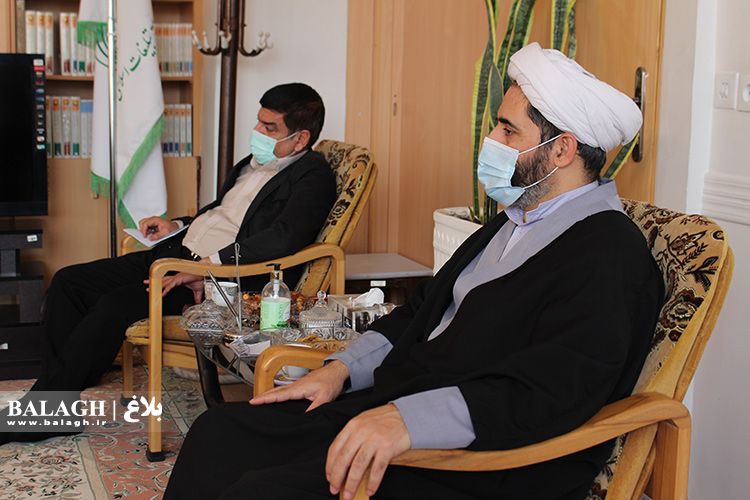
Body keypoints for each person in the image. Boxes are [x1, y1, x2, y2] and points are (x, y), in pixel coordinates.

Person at [165, 44, 664, 500]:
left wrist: (406, 421)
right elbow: (422, 312)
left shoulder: (608, 252)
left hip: (477, 456)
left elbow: (552, 389)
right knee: (220, 435)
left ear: (562, 150)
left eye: (508, 130)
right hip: (398, 403)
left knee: (261, 491)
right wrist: (341, 370)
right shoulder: (513, 222)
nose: (491, 140)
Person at [0, 82, 336, 445]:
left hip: (213, 280)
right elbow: (220, 214)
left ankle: (43, 411)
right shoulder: (252, 163)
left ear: (300, 139)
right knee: (69, 282)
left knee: (113, 306)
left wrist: (208, 266)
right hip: (175, 252)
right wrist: (176, 225)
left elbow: (284, 238)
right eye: (258, 122)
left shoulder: (312, 175)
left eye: (269, 127)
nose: (257, 131)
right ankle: (65, 391)